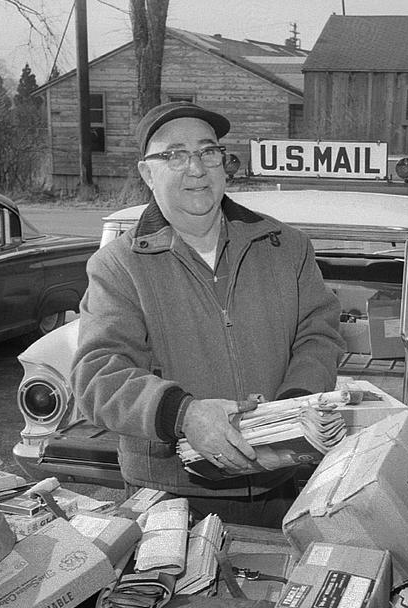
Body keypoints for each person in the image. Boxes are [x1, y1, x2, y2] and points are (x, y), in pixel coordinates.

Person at [70, 101, 344, 527]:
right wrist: (185, 414)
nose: (195, 168)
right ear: (147, 173)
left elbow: (319, 334)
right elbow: (98, 375)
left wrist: (292, 410)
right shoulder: (117, 266)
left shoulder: (286, 246)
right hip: (170, 493)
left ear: (223, 163)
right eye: (175, 155)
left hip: (284, 480)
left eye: (207, 152)